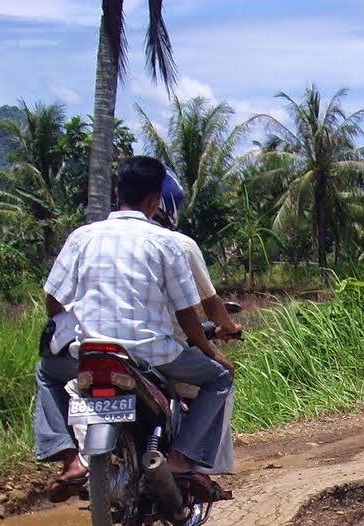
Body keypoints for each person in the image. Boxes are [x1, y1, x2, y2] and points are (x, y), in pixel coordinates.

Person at [33, 155, 235, 499]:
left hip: (90, 352)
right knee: (219, 378)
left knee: (47, 372)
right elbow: (188, 316)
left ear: (117, 191)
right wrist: (211, 351)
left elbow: (53, 300)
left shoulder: (82, 237)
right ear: (155, 200)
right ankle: (182, 458)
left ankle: (69, 458)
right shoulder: (167, 242)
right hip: (151, 354)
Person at [151, 169, 241, 474]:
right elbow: (204, 306)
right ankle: (194, 464)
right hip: (159, 350)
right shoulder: (179, 244)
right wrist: (226, 330)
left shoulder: (93, 238)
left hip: (93, 346)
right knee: (221, 377)